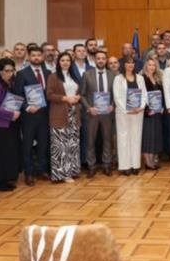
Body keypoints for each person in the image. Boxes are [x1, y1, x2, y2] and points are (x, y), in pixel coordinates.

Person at [14, 46, 51, 186]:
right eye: (33, 55)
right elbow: (18, 95)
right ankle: (28, 173)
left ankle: (41, 170)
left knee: (43, 144)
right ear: (29, 57)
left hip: (45, 115)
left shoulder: (48, 73)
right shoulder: (22, 74)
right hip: (29, 116)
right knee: (28, 145)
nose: (36, 57)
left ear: (42, 57)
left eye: (38, 55)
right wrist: (27, 107)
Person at [79, 50, 115, 177]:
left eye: (103, 58)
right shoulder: (87, 74)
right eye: (98, 58)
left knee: (107, 140)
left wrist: (113, 105)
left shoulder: (112, 75)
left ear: (106, 60)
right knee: (90, 141)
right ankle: (91, 166)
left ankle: (106, 164)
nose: (100, 60)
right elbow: (81, 94)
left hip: (107, 114)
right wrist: (89, 108)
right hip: (92, 114)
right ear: (95, 60)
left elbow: (115, 94)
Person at [46, 53, 81, 182]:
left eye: (68, 60)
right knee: (60, 145)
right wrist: (65, 98)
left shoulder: (74, 76)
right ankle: (62, 175)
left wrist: (78, 97)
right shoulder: (53, 76)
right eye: (62, 60)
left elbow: (80, 92)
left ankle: (73, 171)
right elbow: (49, 95)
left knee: (73, 144)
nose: (65, 62)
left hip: (74, 114)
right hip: (59, 114)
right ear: (58, 62)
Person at [0, 58, 22, 190]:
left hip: (11, 123)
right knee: (2, 153)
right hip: (1, 124)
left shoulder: (10, 83)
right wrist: (11, 114)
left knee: (10, 152)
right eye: (6, 71)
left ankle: (7, 178)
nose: (9, 73)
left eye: (12, 70)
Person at [113, 56, 147, 175]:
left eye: (132, 63)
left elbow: (144, 94)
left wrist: (141, 107)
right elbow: (117, 96)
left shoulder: (140, 78)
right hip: (123, 113)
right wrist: (127, 109)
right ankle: (125, 166)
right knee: (123, 138)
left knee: (136, 137)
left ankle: (135, 165)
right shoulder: (118, 79)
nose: (130, 65)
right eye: (128, 63)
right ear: (124, 65)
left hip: (138, 112)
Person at [141, 58, 164, 170]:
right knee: (148, 136)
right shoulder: (142, 78)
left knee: (155, 136)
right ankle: (148, 162)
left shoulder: (158, 78)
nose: (151, 67)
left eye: (154, 65)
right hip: (148, 113)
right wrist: (147, 109)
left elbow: (161, 95)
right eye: (149, 65)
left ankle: (152, 160)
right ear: (146, 66)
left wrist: (162, 107)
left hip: (157, 113)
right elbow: (141, 96)